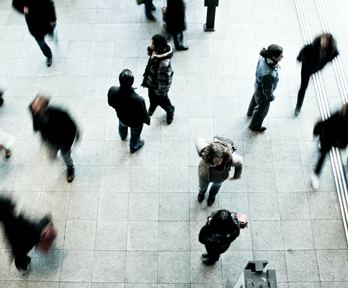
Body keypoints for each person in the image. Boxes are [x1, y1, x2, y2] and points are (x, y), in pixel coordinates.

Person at [29, 95, 79, 183]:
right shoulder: (32, 108)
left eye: (38, 106)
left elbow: (72, 127)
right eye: (35, 104)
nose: (34, 107)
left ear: (46, 106)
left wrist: (68, 143)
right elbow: (35, 120)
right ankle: (56, 152)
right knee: (53, 154)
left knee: (66, 155)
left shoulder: (59, 112)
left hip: (63, 140)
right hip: (50, 139)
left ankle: (70, 168)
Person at [0, 196, 54, 275]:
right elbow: (32, 228)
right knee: (43, 224)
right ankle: (48, 221)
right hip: (29, 239)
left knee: (20, 257)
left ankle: (22, 268)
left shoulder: (6, 224)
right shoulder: (17, 220)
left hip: (18, 247)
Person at [295, 33, 339, 117]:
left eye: (326, 42)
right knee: (303, 87)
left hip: (315, 69)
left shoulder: (330, 51)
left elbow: (335, 54)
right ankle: (298, 106)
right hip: (306, 70)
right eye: (323, 40)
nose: (324, 43)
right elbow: (300, 56)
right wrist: (304, 60)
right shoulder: (310, 47)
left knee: (303, 86)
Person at [108, 69, 151, 153]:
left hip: (121, 117)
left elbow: (110, 103)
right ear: (133, 82)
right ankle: (133, 147)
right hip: (135, 123)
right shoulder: (138, 100)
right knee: (135, 135)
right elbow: (143, 114)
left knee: (122, 126)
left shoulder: (112, 90)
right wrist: (148, 121)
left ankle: (123, 136)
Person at [196, 138, 243, 206]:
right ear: (210, 157)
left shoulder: (228, 157)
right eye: (216, 161)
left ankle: (212, 196)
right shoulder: (205, 152)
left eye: (221, 160)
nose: (219, 163)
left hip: (220, 177)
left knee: (216, 186)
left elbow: (239, 161)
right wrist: (207, 146)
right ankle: (201, 193)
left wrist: (236, 175)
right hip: (204, 174)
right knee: (202, 186)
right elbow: (199, 141)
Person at [247, 44, 284, 132]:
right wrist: (271, 97)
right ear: (273, 57)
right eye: (280, 55)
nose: (282, 56)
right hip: (263, 93)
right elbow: (267, 90)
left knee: (255, 100)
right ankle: (255, 126)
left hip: (258, 86)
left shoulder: (263, 58)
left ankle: (250, 112)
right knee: (261, 109)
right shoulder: (268, 74)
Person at [311, 103, 348, 189]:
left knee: (323, 155)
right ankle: (316, 174)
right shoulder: (338, 116)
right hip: (329, 139)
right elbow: (327, 124)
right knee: (323, 156)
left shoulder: (340, 114)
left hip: (335, 140)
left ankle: (316, 175)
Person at [141, 34, 175, 124]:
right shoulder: (158, 51)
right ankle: (153, 105)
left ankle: (170, 110)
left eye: (153, 44)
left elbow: (164, 81)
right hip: (152, 82)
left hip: (159, 88)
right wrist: (150, 49)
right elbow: (151, 55)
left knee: (163, 101)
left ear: (158, 47)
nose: (151, 45)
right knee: (151, 96)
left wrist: (160, 92)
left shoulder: (163, 63)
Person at [13, 0, 57, 67]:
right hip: (33, 23)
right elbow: (15, 4)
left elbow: (50, 2)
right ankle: (48, 55)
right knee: (40, 42)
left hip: (45, 18)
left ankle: (52, 32)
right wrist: (24, 10)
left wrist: (52, 19)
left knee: (50, 31)